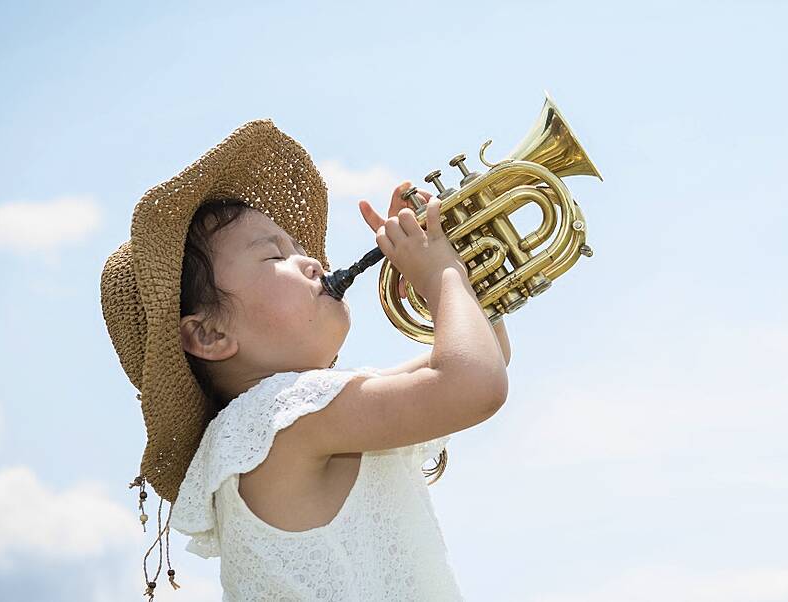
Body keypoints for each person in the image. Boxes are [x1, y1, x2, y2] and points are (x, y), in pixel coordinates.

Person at [99, 119, 511, 600]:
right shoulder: (279, 418)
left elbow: (488, 357)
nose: (312, 261)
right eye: (275, 257)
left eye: (296, 247)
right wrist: (442, 273)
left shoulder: (290, 417)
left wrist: (455, 269)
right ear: (210, 334)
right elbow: (475, 384)